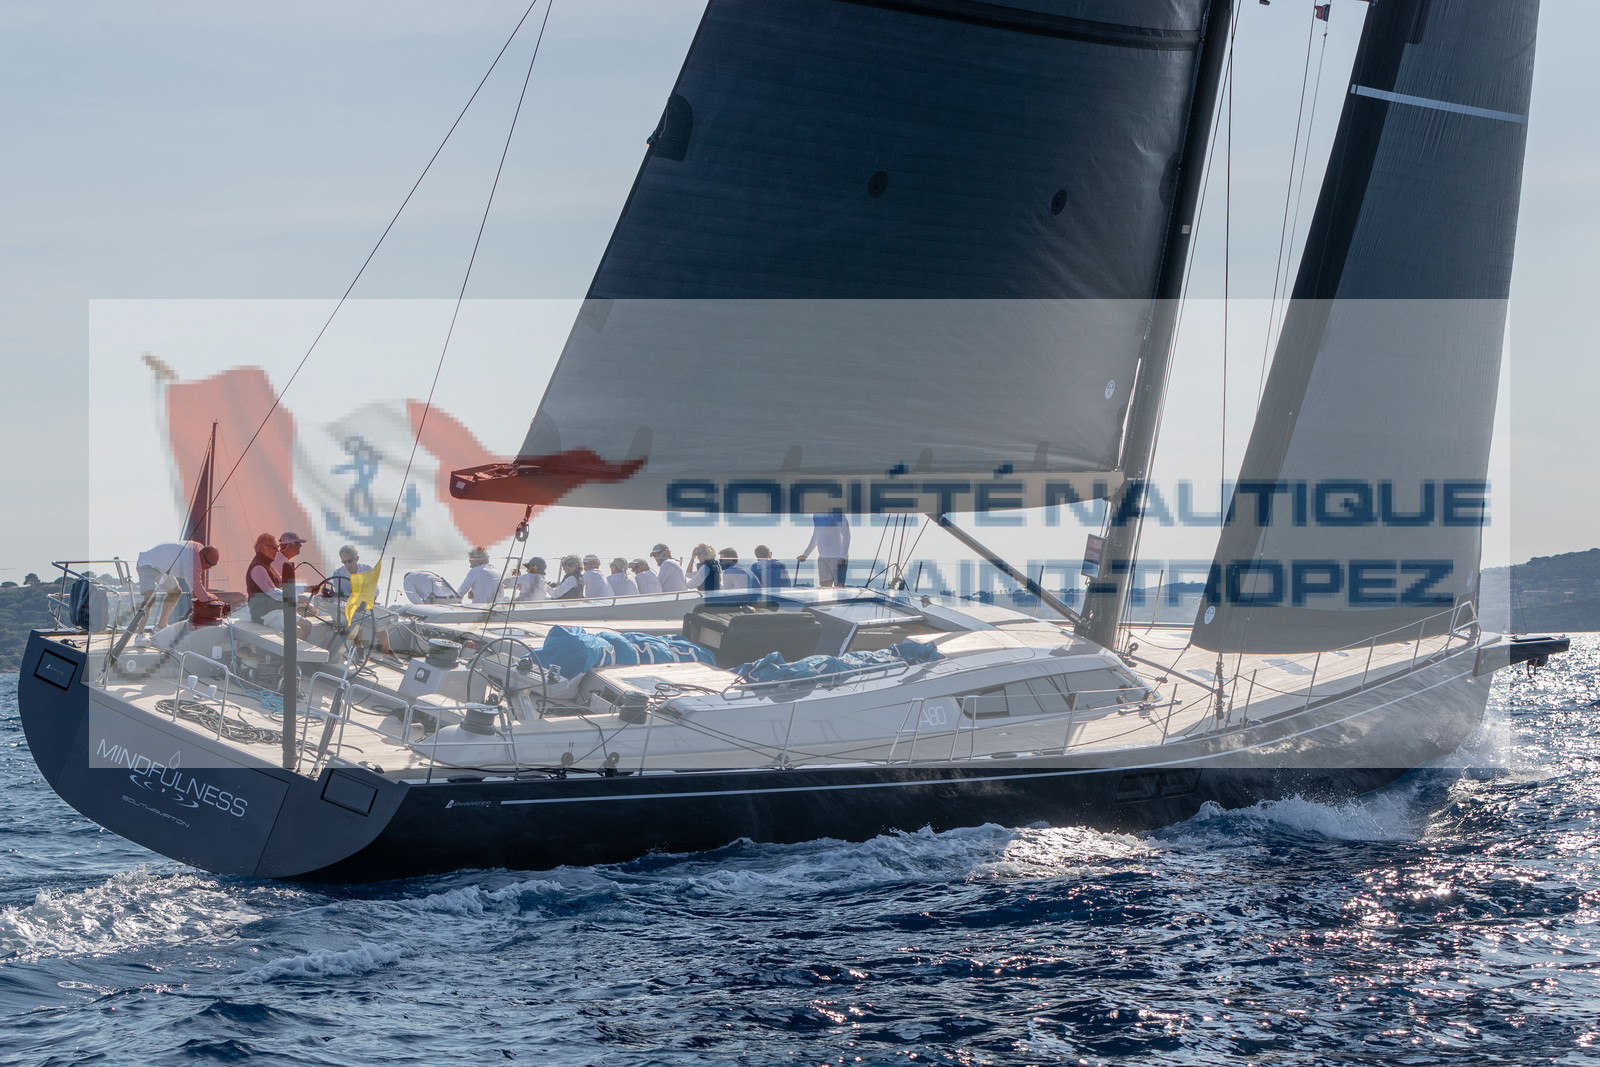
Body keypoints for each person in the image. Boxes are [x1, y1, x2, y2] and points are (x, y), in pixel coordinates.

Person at [135, 539, 203, 628]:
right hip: (147, 563)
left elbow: (193, 584)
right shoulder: (191, 559)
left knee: (175, 592)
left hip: (161, 567)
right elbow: (193, 582)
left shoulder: (195, 555)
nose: (208, 567)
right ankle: (139, 634)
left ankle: (161, 627)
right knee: (150, 597)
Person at [798, 512, 851, 588]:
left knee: (839, 586)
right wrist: (806, 554)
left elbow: (846, 535)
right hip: (822, 557)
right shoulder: (816, 515)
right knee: (824, 585)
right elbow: (815, 536)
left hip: (838, 557)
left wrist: (843, 556)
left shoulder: (837, 514)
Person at [245, 532, 285, 623]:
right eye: (274, 547)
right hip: (265, 615)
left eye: (277, 547)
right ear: (262, 548)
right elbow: (273, 592)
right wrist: (295, 598)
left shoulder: (269, 566)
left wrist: (306, 589)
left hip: (275, 611)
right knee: (299, 628)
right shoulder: (258, 567)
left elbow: (284, 584)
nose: (277, 550)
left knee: (305, 625)